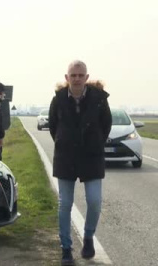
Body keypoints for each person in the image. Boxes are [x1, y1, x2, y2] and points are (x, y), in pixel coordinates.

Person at [48, 60, 112, 266]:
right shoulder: (58, 100)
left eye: (80, 75)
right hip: (65, 158)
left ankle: (88, 237)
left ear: (86, 77)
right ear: (67, 78)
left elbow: (106, 125)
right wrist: (64, 142)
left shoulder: (99, 100)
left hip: (91, 157)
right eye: (72, 75)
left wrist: (94, 144)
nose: (76, 79)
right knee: (65, 204)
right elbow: (53, 127)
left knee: (94, 201)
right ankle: (66, 248)